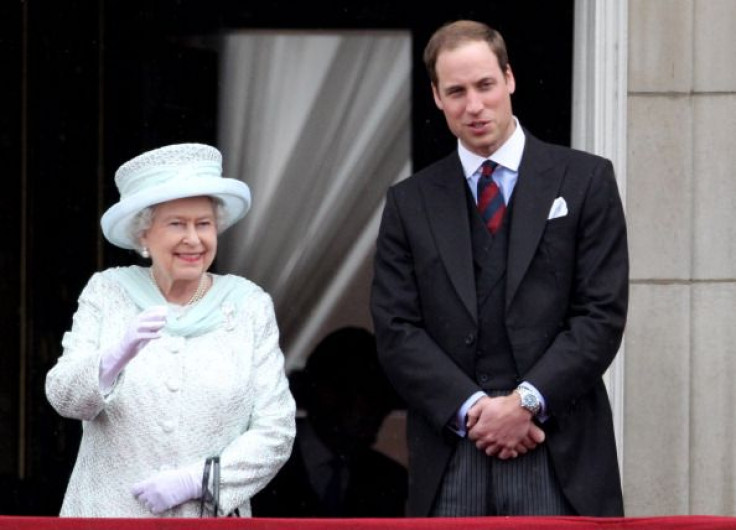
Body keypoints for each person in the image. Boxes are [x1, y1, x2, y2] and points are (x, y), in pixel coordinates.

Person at [370, 20, 629, 518]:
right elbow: (397, 329)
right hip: (453, 452)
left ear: (509, 79)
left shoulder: (585, 180)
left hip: (558, 448)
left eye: (485, 85)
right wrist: (474, 412)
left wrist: (526, 403)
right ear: (436, 97)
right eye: (457, 91)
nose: (474, 105)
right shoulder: (409, 202)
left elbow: (601, 313)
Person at [45, 143, 296, 517]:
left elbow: (276, 431)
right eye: (177, 224)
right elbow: (64, 398)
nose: (193, 239)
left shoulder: (248, 305)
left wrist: (200, 480)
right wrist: (112, 361)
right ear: (143, 235)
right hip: (108, 517)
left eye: (204, 224)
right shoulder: (108, 292)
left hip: (206, 520)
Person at [252, 326, 407, 517]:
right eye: (368, 395)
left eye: (384, 400)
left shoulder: (391, 481)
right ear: (328, 393)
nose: (378, 411)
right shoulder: (260, 465)